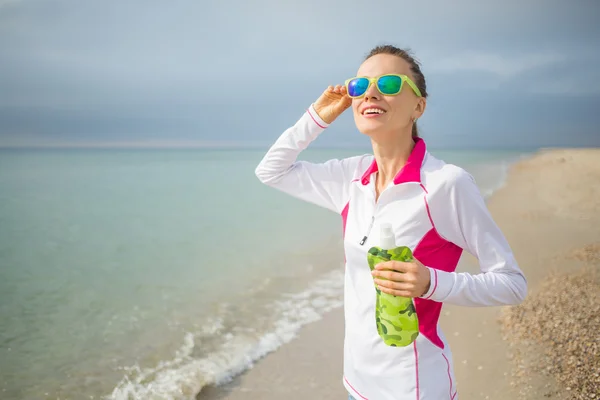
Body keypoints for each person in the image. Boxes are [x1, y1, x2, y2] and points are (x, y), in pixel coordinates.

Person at [254, 44, 527, 400]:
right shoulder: (350, 177)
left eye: (389, 84)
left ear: (418, 106)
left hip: (414, 388)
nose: (371, 92)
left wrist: (432, 282)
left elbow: (512, 284)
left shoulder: (445, 184)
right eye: (360, 85)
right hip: (356, 383)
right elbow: (271, 171)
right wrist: (316, 117)